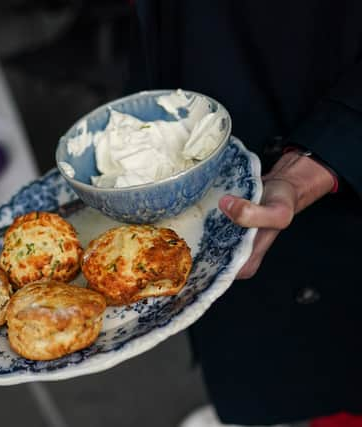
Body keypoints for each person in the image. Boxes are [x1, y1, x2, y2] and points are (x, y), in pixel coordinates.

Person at [127, 1, 362, 425]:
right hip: (201, 79)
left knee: (338, 361)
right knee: (259, 345)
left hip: (330, 146)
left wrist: (326, 153)